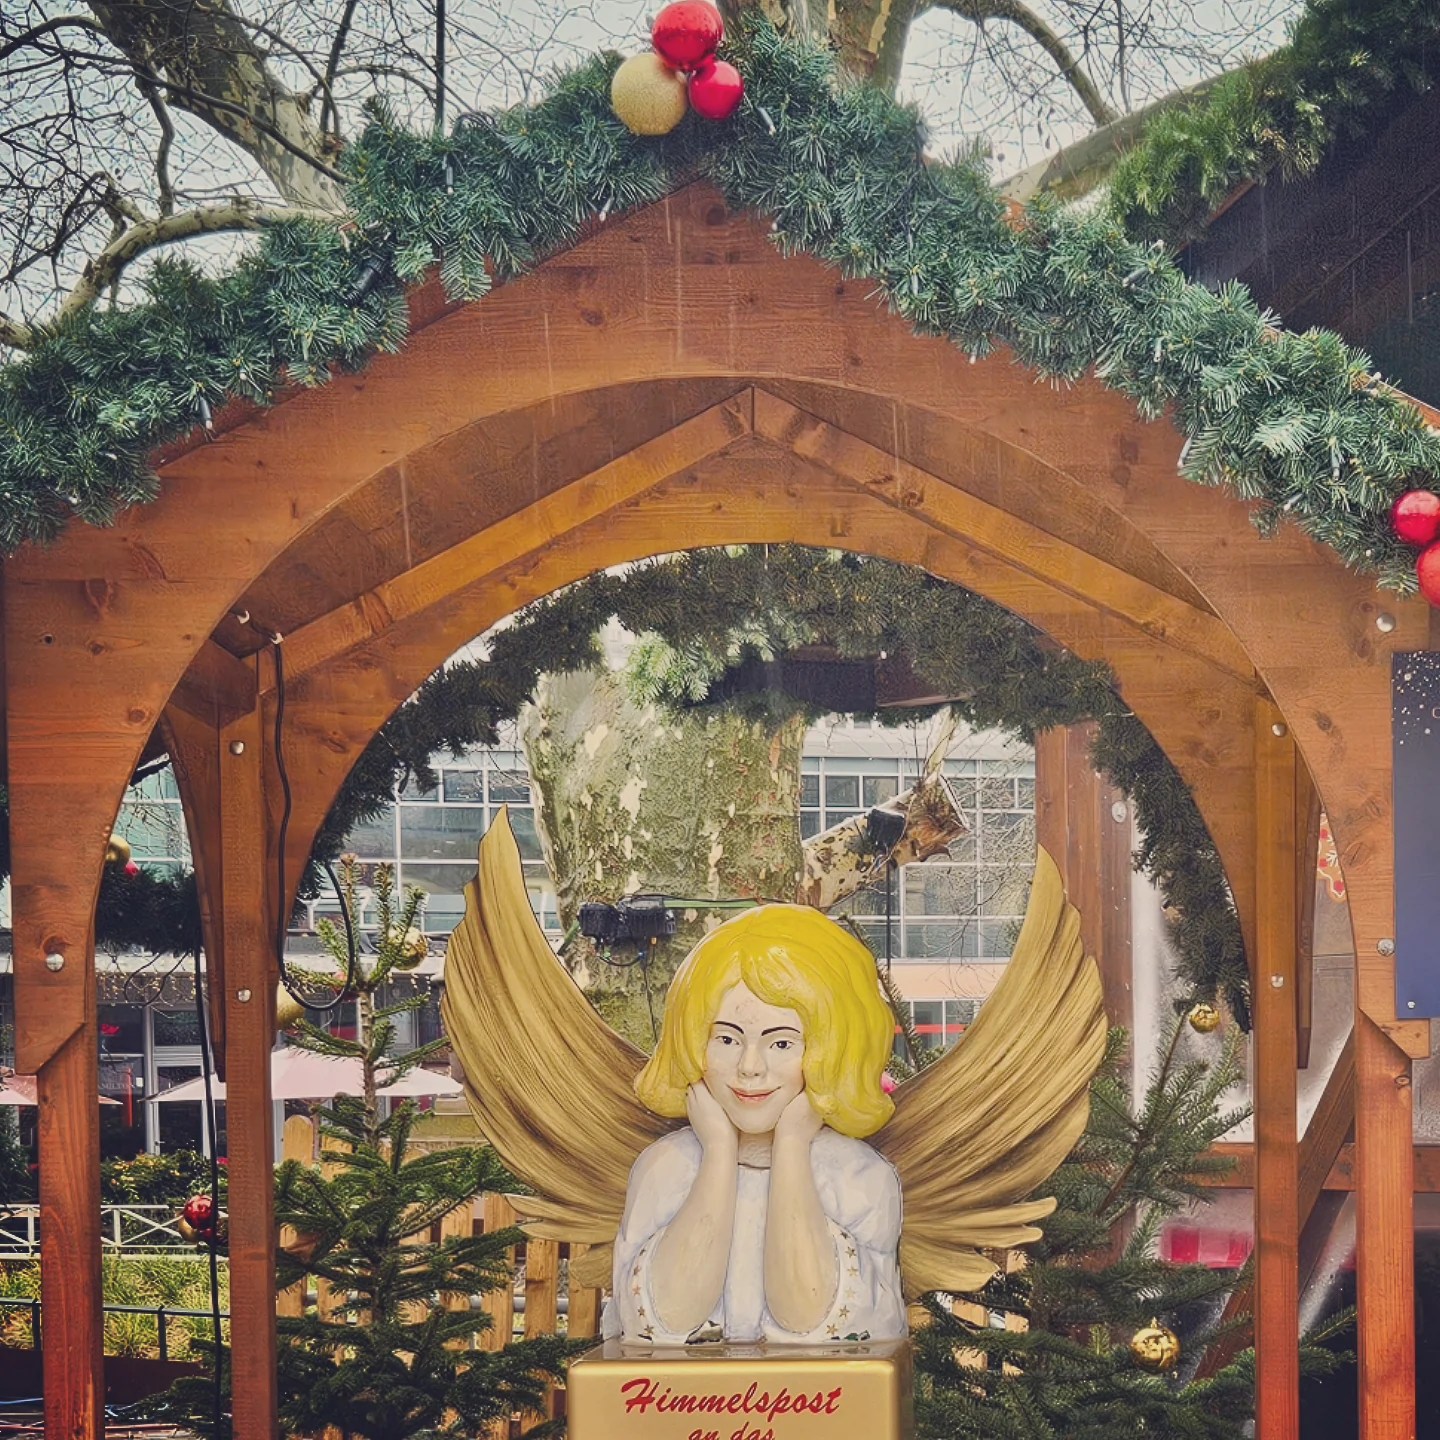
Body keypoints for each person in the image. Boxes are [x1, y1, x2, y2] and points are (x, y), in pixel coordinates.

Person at [604, 904, 907, 1346]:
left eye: (781, 1043)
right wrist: (719, 1153)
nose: (749, 1067)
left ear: (831, 1049)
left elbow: (813, 1321)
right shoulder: (665, 1169)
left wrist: (791, 1146)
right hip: (683, 1410)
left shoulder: (858, 1179)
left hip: (814, 1408)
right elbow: (662, 1324)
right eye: (726, 1040)